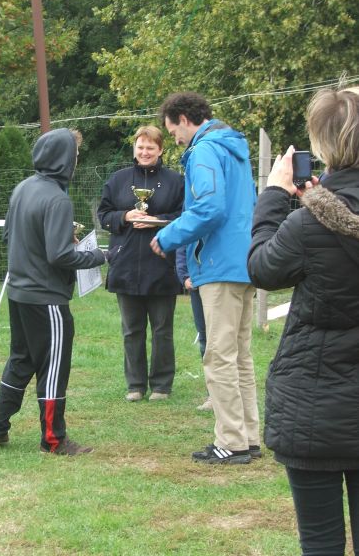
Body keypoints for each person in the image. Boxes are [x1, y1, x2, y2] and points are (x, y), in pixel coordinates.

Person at [247, 86, 359, 555]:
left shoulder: (307, 224)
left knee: (320, 541)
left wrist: (274, 195)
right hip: (323, 401)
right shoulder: (314, 217)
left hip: (316, 404)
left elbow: (262, 268)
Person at [150, 91, 260, 464]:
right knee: (239, 355)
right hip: (244, 262)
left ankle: (231, 441)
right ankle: (248, 435)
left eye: (173, 131)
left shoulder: (204, 150)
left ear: (183, 118)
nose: (175, 140)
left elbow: (208, 208)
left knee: (219, 356)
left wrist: (167, 236)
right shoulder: (235, 150)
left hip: (218, 265)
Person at [0, 128, 106, 455]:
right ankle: (54, 439)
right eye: (75, 154)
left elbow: (9, 236)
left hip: (18, 293)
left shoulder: (23, 188)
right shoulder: (57, 198)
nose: (76, 160)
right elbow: (59, 256)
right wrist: (98, 255)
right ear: (64, 158)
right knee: (52, 367)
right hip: (47, 298)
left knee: (20, 360)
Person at [97, 125, 184, 401]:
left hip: (161, 264)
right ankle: (135, 384)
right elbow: (104, 214)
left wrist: (158, 222)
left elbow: (184, 216)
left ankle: (161, 385)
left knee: (162, 329)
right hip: (125, 264)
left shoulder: (175, 181)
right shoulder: (118, 179)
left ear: (160, 150)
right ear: (134, 148)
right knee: (131, 330)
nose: (144, 152)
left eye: (150, 147)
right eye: (140, 146)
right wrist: (125, 217)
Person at [175, 246, 211, 411]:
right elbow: (184, 245)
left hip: (220, 279)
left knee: (223, 339)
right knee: (204, 338)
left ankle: (230, 393)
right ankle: (213, 393)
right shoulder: (190, 218)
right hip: (197, 282)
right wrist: (185, 276)